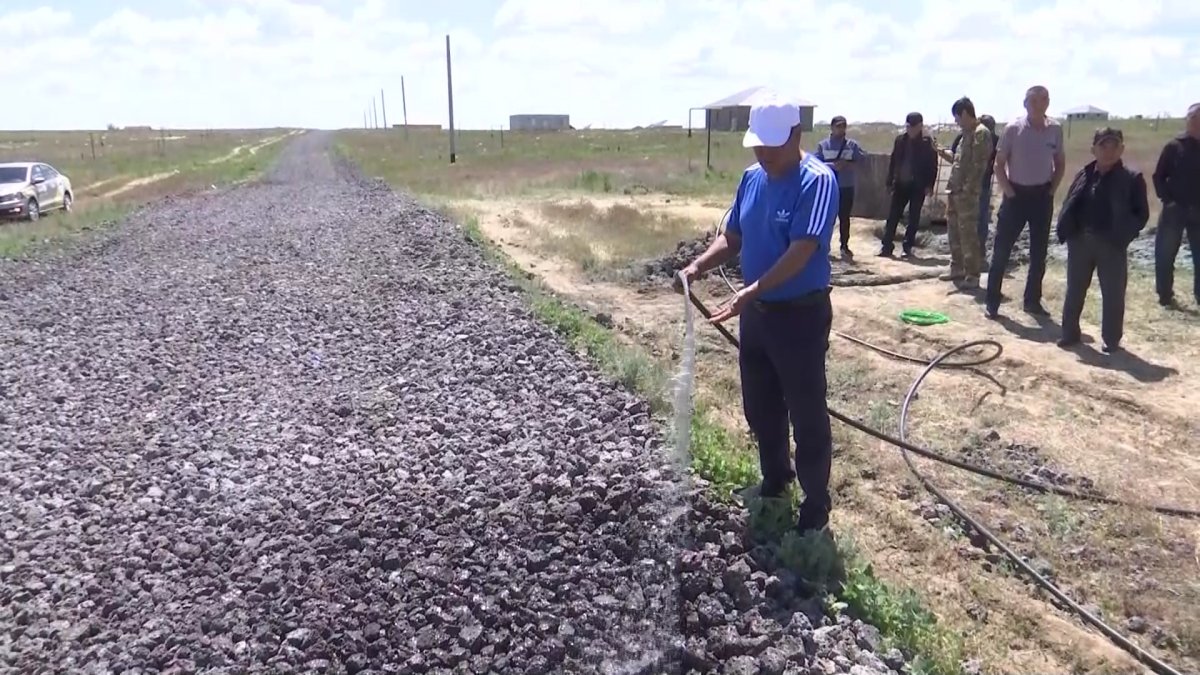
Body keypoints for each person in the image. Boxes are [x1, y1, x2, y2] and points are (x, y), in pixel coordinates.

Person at [675, 94, 837, 534]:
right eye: (757, 146)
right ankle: (775, 479)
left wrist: (754, 289)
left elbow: (803, 249)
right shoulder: (751, 178)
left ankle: (815, 504)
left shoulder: (817, 181)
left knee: (806, 411)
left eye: (771, 145)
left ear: (796, 135)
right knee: (760, 406)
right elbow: (733, 236)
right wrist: (698, 265)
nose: (762, 154)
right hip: (757, 315)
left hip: (799, 315)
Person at [1055, 128, 1149, 353]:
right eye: (1103, 146)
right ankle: (1069, 333)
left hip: (1112, 245)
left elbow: (1141, 214)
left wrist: (1124, 235)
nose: (1108, 151)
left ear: (1122, 149)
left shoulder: (1132, 178)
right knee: (1075, 289)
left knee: (1113, 293)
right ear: (1093, 149)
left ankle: (1111, 339)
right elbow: (1070, 201)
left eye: (1114, 146)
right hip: (1080, 241)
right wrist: (1068, 229)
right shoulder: (1084, 173)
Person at [986, 85, 1066, 319]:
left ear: (1048, 103)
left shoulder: (1055, 130)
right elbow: (998, 165)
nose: (1039, 105)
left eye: (1043, 100)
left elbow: (1060, 162)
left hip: (1042, 196)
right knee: (1002, 250)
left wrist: (1052, 190)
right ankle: (992, 301)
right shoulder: (1013, 129)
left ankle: (1032, 301)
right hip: (1016, 196)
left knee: (1039, 252)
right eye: (1033, 101)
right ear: (1025, 104)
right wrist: (1009, 192)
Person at [1151, 102, 1200, 307]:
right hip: (1175, 209)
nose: (1197, 123)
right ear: (1187, 121)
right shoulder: (1174, 146)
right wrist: (1168, 200)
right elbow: (1158, 176)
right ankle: (1165, 295)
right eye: (1194, 119)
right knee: (1165, 253)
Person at [942, 97, 991, 289]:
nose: (956, 122)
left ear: (964, 113)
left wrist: (967, 190)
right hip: (955, 190)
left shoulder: (981, 134)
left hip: (967, 194)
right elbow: (960, 162)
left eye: (957, 117)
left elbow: (978, 166)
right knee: (954, 231)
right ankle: (957, 267)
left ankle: (972, 274)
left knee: (968, 234)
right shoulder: (965, 135)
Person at [938, 114, 999, 260]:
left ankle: (977, 259)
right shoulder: (963, 137)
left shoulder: (995, 141)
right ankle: (961, 261)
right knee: (959, 224)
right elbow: (956, 159)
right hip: (961, 187)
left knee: (979, 223)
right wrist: (941, 152)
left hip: (980, 187)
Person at [879, 112, 938, 258]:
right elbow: (893, 161)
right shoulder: (900, 140)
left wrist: (930, 185)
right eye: (908, 126)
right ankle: (886, 246)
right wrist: (889, 181)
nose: (910, 130)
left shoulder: (927, 143)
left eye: (913, 127)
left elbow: (932, 165)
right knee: (893, 216)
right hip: (900, 184)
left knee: (913, 217)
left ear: (920, 126)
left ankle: (908, 246)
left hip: (918, 185)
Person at [815, 115, 867, 258]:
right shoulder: (823, 145)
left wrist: (847, 164)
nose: (841, 129)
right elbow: (816, 164)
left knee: (844, 218)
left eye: (843, 126)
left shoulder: (852, 145)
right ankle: (824, 246)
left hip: (846, 186)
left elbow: (862, 161)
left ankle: (844, 246)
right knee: (827, 218)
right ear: (832, 127)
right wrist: (832, 166)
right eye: (838, 126)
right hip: (828, 187)